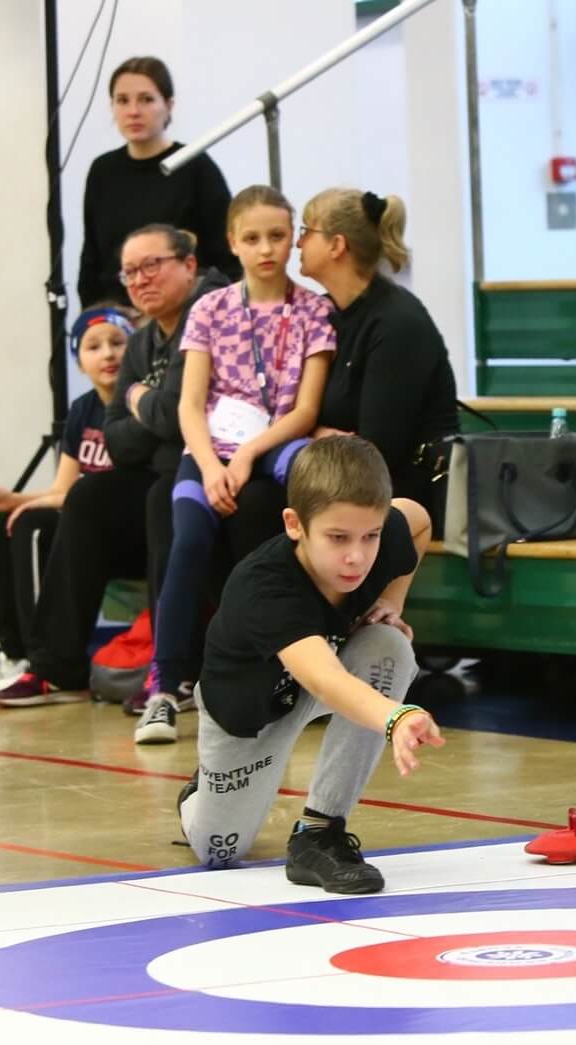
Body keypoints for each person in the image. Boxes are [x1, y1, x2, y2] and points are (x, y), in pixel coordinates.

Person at [178, 435, 442, 893]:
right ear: (295, 524)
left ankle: (319, 833)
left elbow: (418, 521)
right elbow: (324, 678)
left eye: (371, 535)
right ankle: (199, 791)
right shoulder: (264, 586)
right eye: (337, 538)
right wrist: (395, 716)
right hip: (251, 715)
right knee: (220, 852)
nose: (357, 556)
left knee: (390, 646)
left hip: (325, 675)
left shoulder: (381, 537)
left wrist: (391, 601)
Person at [0, 225, 237, 707]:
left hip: (209, 469)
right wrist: (152, 408)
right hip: (156, 468)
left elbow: (176, 417)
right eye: (130, 272)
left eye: (151, 266)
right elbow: (120, 442)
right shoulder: (143, 343)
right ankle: (56, 668)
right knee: (89, 496)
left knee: (163, 496)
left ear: (188, 265)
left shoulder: (209, 316)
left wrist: (142, 402)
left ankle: (174, 673)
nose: (140, 280)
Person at [136, 186, 336, 745]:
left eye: (277, 236)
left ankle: (310, 668)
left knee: (308, 516)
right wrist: (209, 466)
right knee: (188, 540)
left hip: (276, 441)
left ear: (293, 239)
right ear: (232, 243)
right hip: (211, 449)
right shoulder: (210, 309)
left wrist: (248, 454)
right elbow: (189, 404)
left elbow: (306, 409)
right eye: (252, 238)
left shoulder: (314, 310)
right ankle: (164, 688)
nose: (265, 248)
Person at [0, 304, 133, 699]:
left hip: (125, 534)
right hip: (84, 523)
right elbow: (62, 489)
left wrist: (25, 506)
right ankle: (15, 656)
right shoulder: (82, 410)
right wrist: (10, 500)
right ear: (79, 362)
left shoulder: (138, 405)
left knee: (34, 527)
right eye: (94, 347)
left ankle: (44, 665)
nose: (108, 354)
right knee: (7, 524)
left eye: (118, 343)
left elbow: (76, 497)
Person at [296, 189, 458, 516]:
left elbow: (378, 451)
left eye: (306, 231)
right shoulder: (326, 312)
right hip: (342, 480)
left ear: (336, 245)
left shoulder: (397, 323)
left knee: (261, 503)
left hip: (405, 494)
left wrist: (313, 436)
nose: (298, 243)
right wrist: (316, 433)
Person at [77, 56, 238, 308]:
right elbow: (92, 260)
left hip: (186, 311)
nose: (133, 111)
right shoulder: (102, 171)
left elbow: (227, 256)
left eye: (146, 99)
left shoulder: (195, 165)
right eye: (122, 100)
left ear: (168, 105)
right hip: (119, 314)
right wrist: (93, 317)